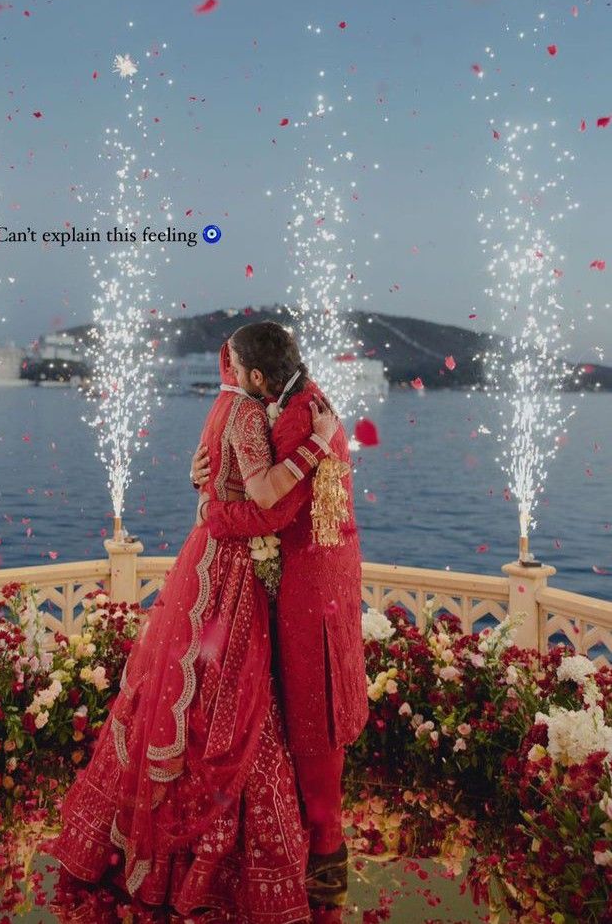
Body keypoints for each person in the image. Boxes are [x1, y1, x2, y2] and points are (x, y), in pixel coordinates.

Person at [46, 340, 338, 924]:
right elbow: (261, 492)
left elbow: (216, 476)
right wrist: (317, 445)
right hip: (227, 569)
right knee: (232, 698)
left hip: (202, 560)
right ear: (257, 373)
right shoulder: (252, 413)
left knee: (184, 693)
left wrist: (205, 494)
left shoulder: (219, 405)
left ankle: (137, 847)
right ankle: (216, 866)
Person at [191, 322, 369, 924]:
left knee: (311, 723)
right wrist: (214, 468)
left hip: (308, 588)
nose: (233, 379)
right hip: (326, 579)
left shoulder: (297, 419)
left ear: (259, 376)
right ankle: (315, 858)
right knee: (311, 721)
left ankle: (322, 881)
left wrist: (215, 512)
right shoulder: (303, 399)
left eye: (238, 369)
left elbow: (274, 510)